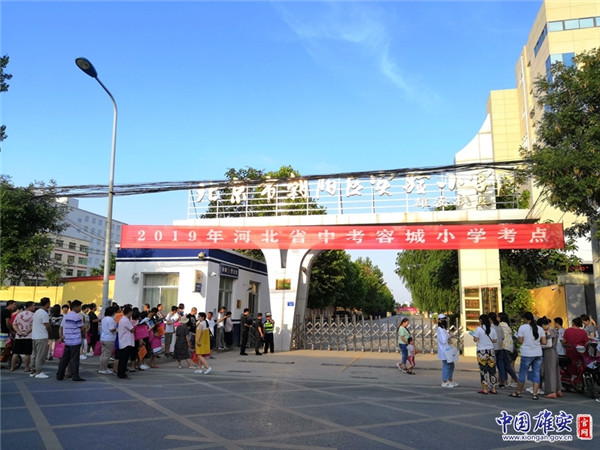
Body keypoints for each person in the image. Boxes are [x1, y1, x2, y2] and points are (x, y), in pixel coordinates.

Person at [509, 311, 546, 400]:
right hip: (538, 353)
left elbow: (520, 341)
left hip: (527, 353)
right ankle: (535, 394)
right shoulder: (540, 329)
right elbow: (544, 342)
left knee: (522, 373)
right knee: (536, 373)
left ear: (525, 319)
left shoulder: (523, 327)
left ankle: (518, 392)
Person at [56, 299, 86, 382]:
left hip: (68, 340)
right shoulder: (77, 316)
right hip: (75, 340)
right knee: (75, 359)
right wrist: (84, 330)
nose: (80, 308)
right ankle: (75, 375)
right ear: (75, 307)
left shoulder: (66, 316)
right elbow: (82, 327)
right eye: (79, 307)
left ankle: (59, 375)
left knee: (64, 359)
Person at [473, 314, 498, 395]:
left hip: (482, 352)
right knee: (492, 371)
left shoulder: (479, 329)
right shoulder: (492, 329)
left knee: (483, 371)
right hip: (491, 351)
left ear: (481, 320)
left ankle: (485, 389)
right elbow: (495, 340)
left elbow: (475, 339)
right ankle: (493, 388)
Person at [539, 317, 562, 399]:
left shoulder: (548, 332)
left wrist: (538, 346)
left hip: (549, 353)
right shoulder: (555, 330)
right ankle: (558, 389)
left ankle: (551, 392)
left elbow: (548, 345)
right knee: (556, 371)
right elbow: (557, 342)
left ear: (543, 325)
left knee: (549, 372)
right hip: (555, 352)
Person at [11, 301, 35, 373]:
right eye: (33, 306)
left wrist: (18, 331)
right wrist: (27, 332)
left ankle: (12, 367)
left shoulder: (19, 314)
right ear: (30, 306)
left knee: (16, 352)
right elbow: (33, 325)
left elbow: (14, 324)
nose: (34, 307)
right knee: (27, 353)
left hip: (19, 336)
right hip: (28, 336)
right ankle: (26, 368)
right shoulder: (33, 315)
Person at [30, 297, 51, 379]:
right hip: (42, 336)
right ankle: (38, 371)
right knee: (40, 355)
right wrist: (50, 332)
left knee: (34, 354)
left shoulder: (37, 312)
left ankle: (33, 370)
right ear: (47, 303)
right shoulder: (44, 313)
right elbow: (47, 325)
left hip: (35, 336)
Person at [498, 312, 518, 388]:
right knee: (509, 365)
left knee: (504, 366)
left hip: (504, 347)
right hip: (510, 347)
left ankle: (506, 381)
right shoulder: (507, 326)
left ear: (500, 318)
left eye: (498, 317)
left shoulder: (501, 325)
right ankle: (511, 381)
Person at [437, 314, 457, 388]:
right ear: (439, 320)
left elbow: (446, 339)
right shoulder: (440, 329)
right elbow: (443, 340)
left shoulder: (443, 329)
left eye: (444, 319)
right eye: (442, 319)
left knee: (451, 365)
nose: (444, 320)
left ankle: (450, 380)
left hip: (447, 349)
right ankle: (444, 381)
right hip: (444, 350)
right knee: (446, 365)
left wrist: (449, 338)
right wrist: (449, 337)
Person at [116, 306, 135, 379]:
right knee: (124, 359)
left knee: (123, 359)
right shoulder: (125, 320)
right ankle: (121, 373)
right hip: (126, 342)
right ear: (129, 312)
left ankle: (121, 372)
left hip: (125, 341)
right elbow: (132, 329)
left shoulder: (124, 319)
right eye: (131, 313)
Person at [99, 306, 117, 374]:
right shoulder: (111, 320)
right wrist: (117, 329)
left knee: (103, 354)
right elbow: (111, 330)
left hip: (103, 337)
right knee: (107, 355)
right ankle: (104, 369)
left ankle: (101, 368)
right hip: (109, 338)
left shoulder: (104, 319)